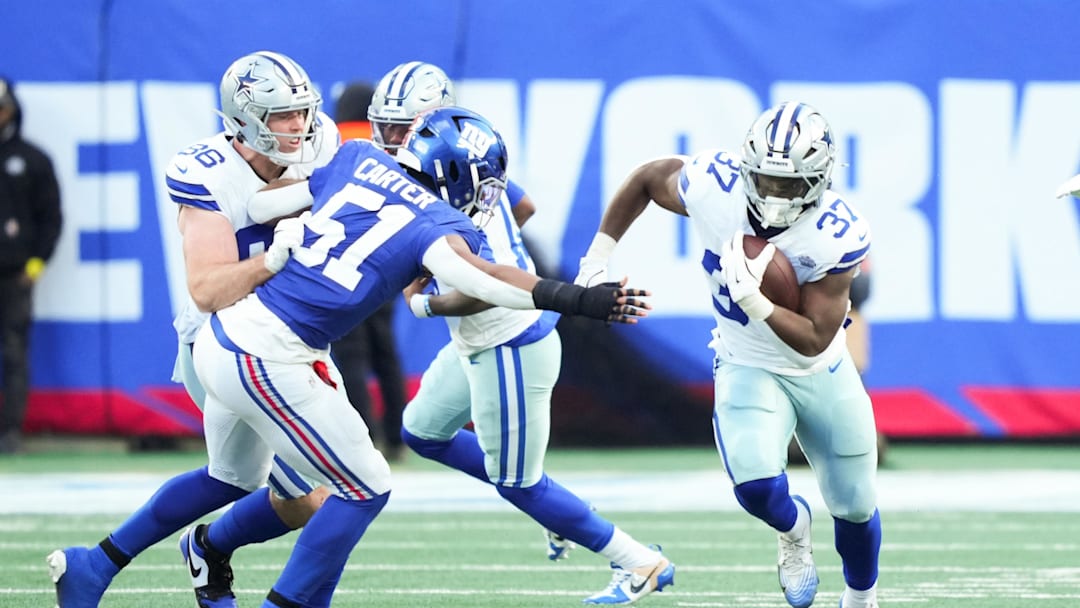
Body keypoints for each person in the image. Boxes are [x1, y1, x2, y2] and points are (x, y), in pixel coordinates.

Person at [188, 105, 649, 608]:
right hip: (275, 352)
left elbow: (260, 206)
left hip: (230, 334)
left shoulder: (357, 155)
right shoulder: (437, 222)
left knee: (370, 472)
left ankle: (218, 560)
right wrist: (579, 299)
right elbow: (490, 279)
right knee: (370, 480)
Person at [48, 50, 338, 608]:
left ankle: (100, 564)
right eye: (282, 115)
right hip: (225, 342)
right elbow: (207, 288)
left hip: (289, 337)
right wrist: (272, 260)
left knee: (240, 481)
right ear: (245, 120)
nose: (299, 125)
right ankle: (218, 558)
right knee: (339, 492)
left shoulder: (321, 140)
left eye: (302, 111)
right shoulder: (206, 171)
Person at [575, 101, 881, 608]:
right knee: (756, 488)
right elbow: (648, 178)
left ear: (820, 179)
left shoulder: (836, 232)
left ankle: (861, 598)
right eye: (766, 179)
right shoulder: (716, 186)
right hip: (747, 363)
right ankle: (794, 529)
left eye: (789, 184)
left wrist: (757, 303)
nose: (774, 194)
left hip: (820, 368)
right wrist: (595, 261)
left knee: (855, 504)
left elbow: (815, 338)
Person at [382, 82, 674, 605]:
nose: (397, 142)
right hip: (480, 341)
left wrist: (426, 303)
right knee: (422, 432)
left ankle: (640, 562)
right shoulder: (467, 171)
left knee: (517, 483)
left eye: (404, 130)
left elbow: (487, 287)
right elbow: (523, 204)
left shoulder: (455, 187)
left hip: (508, 345)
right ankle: (550, 500)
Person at [331, 80, 410, 462]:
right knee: (386, 352)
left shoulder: (331, 146)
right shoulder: (388, 146)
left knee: (351, 355)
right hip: (386, 260)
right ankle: (397, 436)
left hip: (342, 264)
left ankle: (365, 438)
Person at [0, 77, 62, 455]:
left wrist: (36, 263)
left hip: (14, 275)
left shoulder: (32, 160)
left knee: (13, 352)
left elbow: (50, 218)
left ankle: (10, 433)